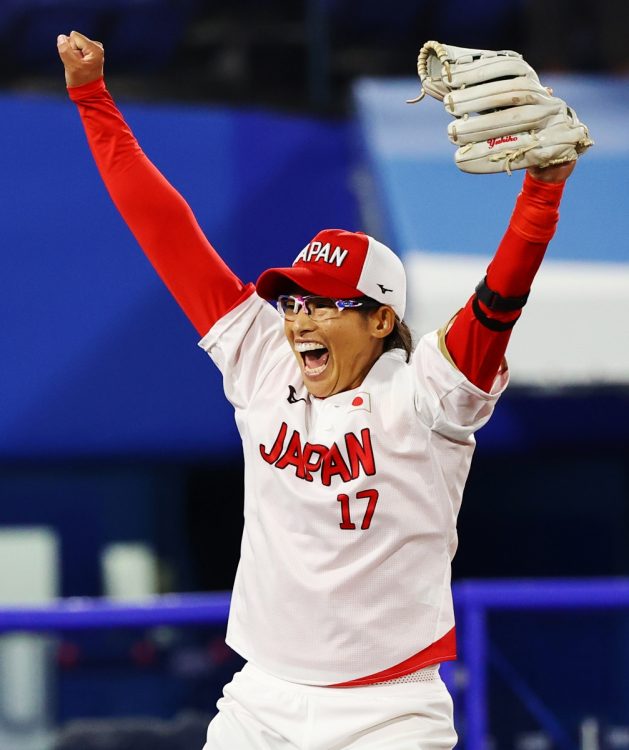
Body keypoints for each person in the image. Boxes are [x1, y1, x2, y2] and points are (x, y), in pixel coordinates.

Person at [57, 30, 576, 750]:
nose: (298, 317)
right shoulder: (262, 357)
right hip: (261, 698)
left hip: (388, 713)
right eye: (293, 301)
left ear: (381, 318)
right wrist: (92, 99)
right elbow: (165, 230)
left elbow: (497, 303)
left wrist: (541, 194)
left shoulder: (425, 393)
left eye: (323, 303)